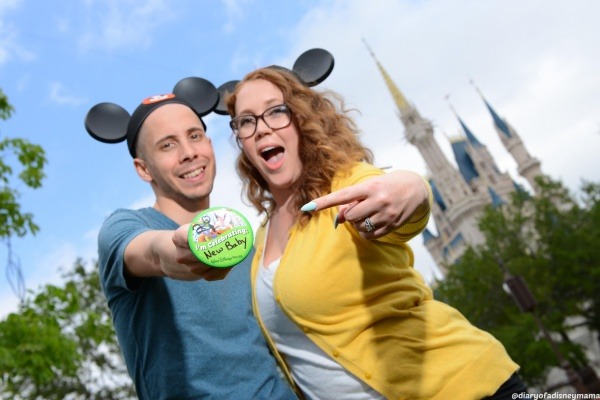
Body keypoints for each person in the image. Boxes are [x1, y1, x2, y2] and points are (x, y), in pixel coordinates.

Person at [90, 83, 424, 399]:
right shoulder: (124, 227)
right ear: (143, 169)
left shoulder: (251, 250)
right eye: (167, 145)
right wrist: (183, 248)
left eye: (195, 136)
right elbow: (152, 252)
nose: (189, 153)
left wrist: (413, 186)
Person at [225, 66, 528, 399]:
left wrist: (413, 188)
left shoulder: (347, 185)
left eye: (276, 111)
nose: (261, 128)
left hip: (464, 387)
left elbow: (395, 197)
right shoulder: (260, 238)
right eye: (246, 121)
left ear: (301, 119)